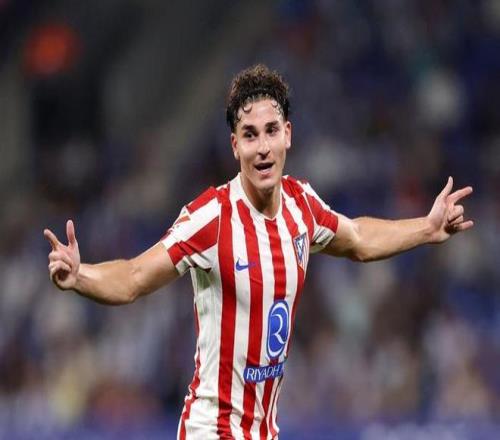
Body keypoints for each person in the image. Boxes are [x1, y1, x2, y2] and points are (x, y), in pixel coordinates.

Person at [44, 64, 473, 439]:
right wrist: (81, 276)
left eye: (271, 131)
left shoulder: (302, 206)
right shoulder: (211, 218)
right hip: (211, 431)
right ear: (235, 146)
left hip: (263, 431)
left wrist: (427, 227)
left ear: (288, 135)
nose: (263, 147)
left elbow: (359, 238)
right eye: (250, 135)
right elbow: (136, 276)